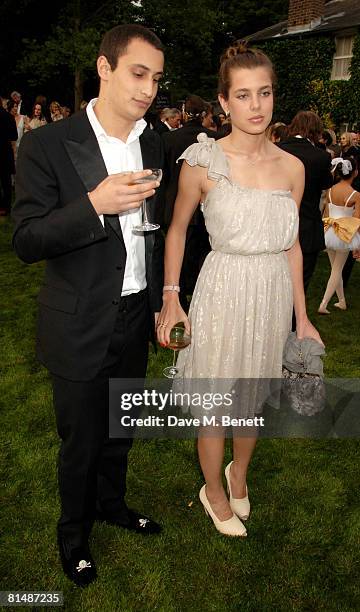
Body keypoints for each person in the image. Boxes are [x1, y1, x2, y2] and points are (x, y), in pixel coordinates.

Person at [12, 24, 165, 587]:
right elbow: (26, 239)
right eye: (138, 73)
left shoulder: (152, 141)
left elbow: (152, 228)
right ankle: (72, 535)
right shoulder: (47, 143)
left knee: (121, 428)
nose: (149, 88)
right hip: (79, 323)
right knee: (81, 441)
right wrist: (94, 205)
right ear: (104, 68)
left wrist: (160, 300)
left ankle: (113, 506)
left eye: (156, 77)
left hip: (133, 317)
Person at [157, 41, 323, 537]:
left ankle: (239, 474)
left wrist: (303, 316)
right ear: (224, 102)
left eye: (265, 93)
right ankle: (212, 490)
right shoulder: (203, 161)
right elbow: (178, 230)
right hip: (222, 288)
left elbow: (292, 247)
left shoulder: (294, 168)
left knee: (253, 397)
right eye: (244, 95)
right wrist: (171, 297)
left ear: (274, 97)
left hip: (272, 292)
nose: (256, 105)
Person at [161, 94, 218, 310]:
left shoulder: (169, 139)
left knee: (179, 252)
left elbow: (164, 175)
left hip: (175, 203)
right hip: (205, 208)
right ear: (205, 114)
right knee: (201, 255)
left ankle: (180, 294)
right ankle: (197, 297)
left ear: (184, 113)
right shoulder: (215, 139)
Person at [278, 111, 333, 295]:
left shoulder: (277, 149)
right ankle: (294, 322)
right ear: (316, 131)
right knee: (300, 283)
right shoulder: (321, 157)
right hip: (307, 225)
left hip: (276, 224)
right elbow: (326, 185)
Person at [318, 157, 360, 313]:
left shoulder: (330, 190)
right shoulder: (355, 194)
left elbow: (326, 213)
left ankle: (342, 301)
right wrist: (358, 243)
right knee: (337, 270)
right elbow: (357, 221)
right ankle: (323, 304)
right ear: (354, 173)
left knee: (335, 269)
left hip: (329, 230)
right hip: (344, 234)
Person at [0, 95, 17, 215]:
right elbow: (14, 136)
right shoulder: (9, 117)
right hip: (5, 152)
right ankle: (7, 207)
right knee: (6, 182)